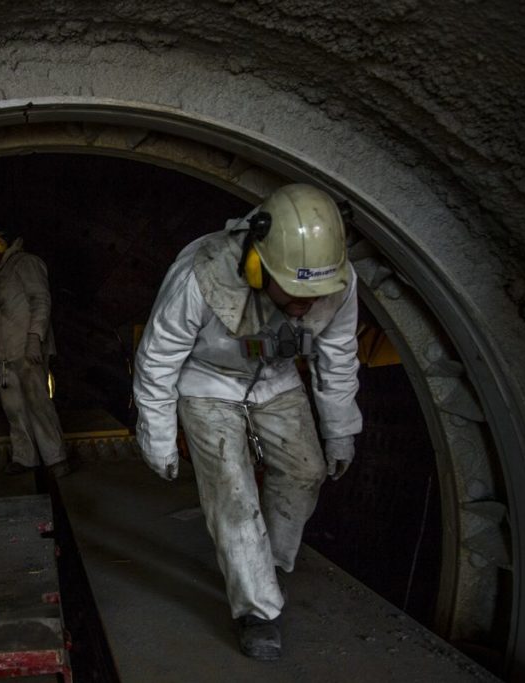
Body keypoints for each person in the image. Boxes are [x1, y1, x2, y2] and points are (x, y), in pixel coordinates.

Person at [133, 184, 362, 661]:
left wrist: (341, 428)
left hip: (275, 378)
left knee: (306, 471)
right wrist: (157, 439)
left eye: (315, 294)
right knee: (233, 495)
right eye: (297, 293)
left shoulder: (338, 282)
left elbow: (338, 357)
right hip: (207, 382)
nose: (306, 305)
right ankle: (256, 611)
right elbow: (157, 360)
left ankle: (264, 565)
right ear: (259, 265)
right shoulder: (202, 274)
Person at [0, 221, 73, 478]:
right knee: (14, 409)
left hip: (27, 351)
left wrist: (34, 339)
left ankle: (56, 458)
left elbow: (41, 300)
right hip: (5, 356)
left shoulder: (25, 263)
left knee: (39, 404)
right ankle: (25, 458)